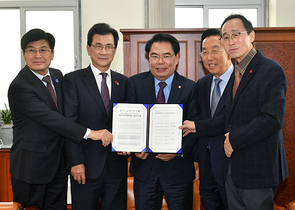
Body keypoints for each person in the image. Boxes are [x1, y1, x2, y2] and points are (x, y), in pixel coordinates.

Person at [180, 14, 288, 210]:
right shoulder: (238, 73)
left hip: (258, 169)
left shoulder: (270, 70)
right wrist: (197, 126)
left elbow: (272, 119)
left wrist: (233, 139)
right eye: (226, 37)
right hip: (234, 170)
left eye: (236, 35)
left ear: (252, 36)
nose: (231, 41)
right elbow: (228, 119)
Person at [8, 28, 112, 210]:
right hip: (31, 170)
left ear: (52, 53)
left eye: (43, 50)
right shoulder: (20, 86)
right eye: (31, 50)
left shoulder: (56, 76)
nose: (38, 55)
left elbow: (69, 112)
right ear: (24, 54)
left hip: (57, 167)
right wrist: (90, 133)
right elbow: (53, 119)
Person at [127, 33, 198, 210]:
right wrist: (136, 148)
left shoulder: (191, 88)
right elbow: (128, 123)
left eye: (166, 56)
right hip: (144, 170)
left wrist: (178, 150)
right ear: (148, 58)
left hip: (179, 171)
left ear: (177, 58)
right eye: (155, 56)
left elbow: (197, 126)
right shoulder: (134, 84)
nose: (161, 62)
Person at [62, 23, 128, 210]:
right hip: (85, 167)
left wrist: (130, 143)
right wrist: (75, 162)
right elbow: (69, 124)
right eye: (98, 46)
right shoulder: (73, 80)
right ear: (88, 49)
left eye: (108, 46)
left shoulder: (123, 82)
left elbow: (130, 120)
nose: (103, 51)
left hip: (116, 167)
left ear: (115, 50)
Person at [193, 28, 233, 210]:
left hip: (231, 166)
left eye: (216, 50)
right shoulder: (201, 85)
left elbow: (231, 120)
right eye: (205, 52)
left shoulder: (241, 82)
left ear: (228, 50)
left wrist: (196, 127)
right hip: (206, 168)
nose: (209, 57)